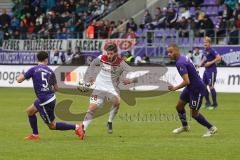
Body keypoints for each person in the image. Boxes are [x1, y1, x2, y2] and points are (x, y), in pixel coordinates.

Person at [76, 42, 137, 140]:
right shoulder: (101, 58)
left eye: (111, 53)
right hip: (100, 87)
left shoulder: (121, 63)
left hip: (111, 88)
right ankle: (82, 129)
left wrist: (129, 80)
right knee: (92, 108)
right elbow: (92, 65)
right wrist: (90, 77)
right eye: (108, 53)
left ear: (116, 53)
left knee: (117, 102)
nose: (109, 56)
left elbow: (132, 75)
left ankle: (109, 122)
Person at [17, 51, 80, 140]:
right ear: (46, 59)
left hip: (45, 101)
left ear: (38, 59)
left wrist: (20, 75)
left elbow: (19, 80)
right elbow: (56, 88)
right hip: (48, 98)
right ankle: (35, 135)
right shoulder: (50, 71)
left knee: (52, 126)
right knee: (30, 111)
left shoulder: (33, 69)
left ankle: (77, 127)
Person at [167, 44, 217, 137]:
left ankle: (211, 128)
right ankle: (185, 127)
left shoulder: (180, 63)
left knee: (194, 114)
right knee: (179, 106)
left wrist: (174, 88)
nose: (169, 54)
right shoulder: (182, 58)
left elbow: (186, 81)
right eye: (168, 52)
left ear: (177, 51)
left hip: (197, 89)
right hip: (190, 87)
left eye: (171, 52)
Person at [200, 37, 221, 108]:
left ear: (209, 43)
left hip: (212, 71)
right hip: (206, 71)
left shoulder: (212, 50)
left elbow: (219, 58)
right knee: (203, 86)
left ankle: (215, 104)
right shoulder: (204, 51)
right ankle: (208, 103)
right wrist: (201, 64)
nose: (205, 44)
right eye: (204, 42)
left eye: (206, 42)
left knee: (211, 86)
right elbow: (205, 58)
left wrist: (210, 63)